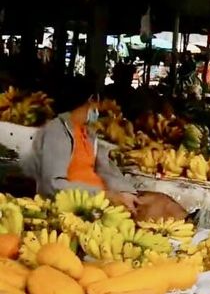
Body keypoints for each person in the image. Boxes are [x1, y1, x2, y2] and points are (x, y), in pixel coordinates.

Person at [28, 78, 138, 210]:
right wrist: (105, 195)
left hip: (100, 204)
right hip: (74, 208)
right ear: (92, 99)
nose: (99, 109)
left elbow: (106, 170)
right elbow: (52, 185)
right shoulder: (56, 132)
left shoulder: (88, 133)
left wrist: (126, 191)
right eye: (98, 102)